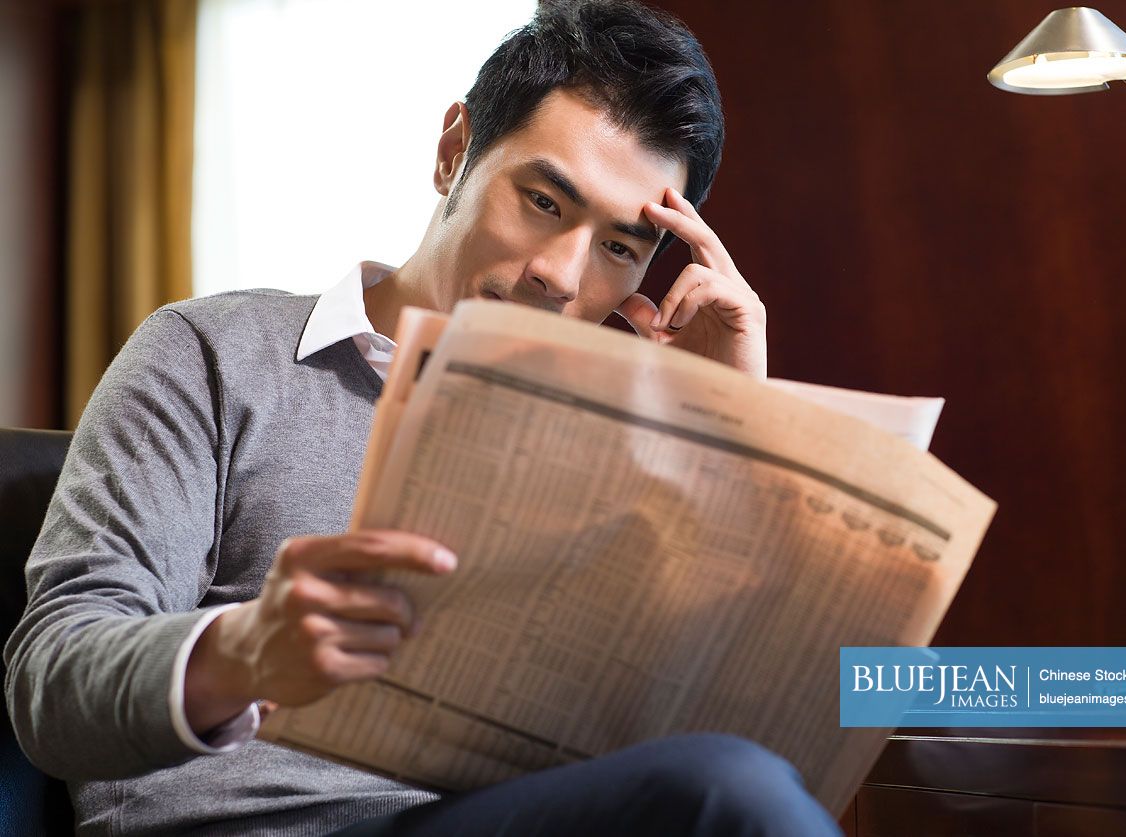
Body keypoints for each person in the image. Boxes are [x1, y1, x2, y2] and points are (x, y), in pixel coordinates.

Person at [5, 1, 840, 834]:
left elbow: (772, 732)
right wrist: (246, 646)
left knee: (740, 781)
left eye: (619, 248)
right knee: (726, 792)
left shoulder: (628, 440)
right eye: (544, 203)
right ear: (453, 153)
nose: (559, 273)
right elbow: (52, 681)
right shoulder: (210, 353)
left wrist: (728, 431)